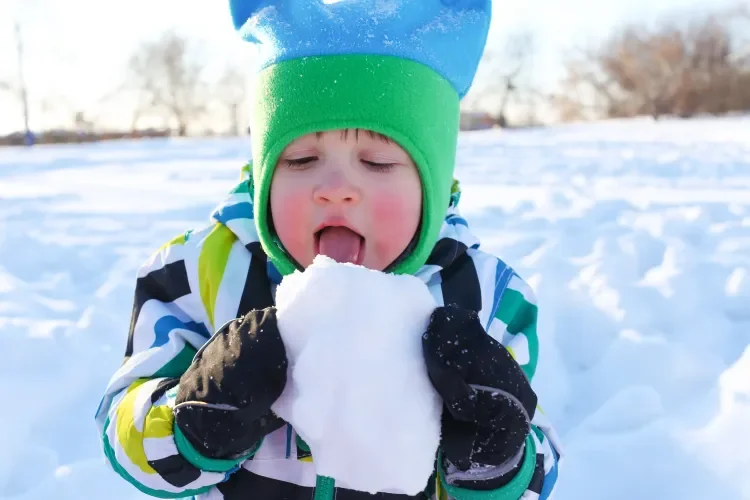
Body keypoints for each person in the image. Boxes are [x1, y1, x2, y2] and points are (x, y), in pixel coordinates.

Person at [95, 1, 562, 499]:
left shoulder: (485, 297)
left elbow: (541, 467)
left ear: (431, 184)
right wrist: (190, 424)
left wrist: (499, 456)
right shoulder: (197, 276)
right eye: (301, 158)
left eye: (377, 161)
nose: (336, 188)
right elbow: (121, 430)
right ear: (263, 175)